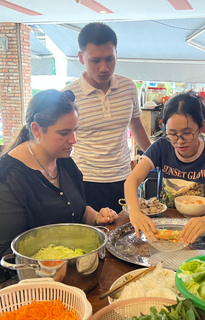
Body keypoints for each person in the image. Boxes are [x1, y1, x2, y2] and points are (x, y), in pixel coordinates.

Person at [0, 89, 118, 307]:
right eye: (64, 132)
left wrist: (95, 217)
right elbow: (1, 255)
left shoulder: (62, 160)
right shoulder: (5, 180)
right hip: (11, 278)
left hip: (58, 269)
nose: (73, 139)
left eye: (75, 130)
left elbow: (77, 210)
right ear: (36, 129)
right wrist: (55, 264)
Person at [124, 92, 205, 244]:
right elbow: (132, 180)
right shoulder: (162, 146)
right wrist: (134, 211)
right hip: (163, 227)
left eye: (187, 133)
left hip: (197, 230)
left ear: (202, 127)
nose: (179, 141)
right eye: (172, 134)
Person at [62, 22, 151, 213]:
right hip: (85, 180)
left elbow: (136, 126)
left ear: (117, 54)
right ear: (81, 57)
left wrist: (156, 157)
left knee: (126, 235)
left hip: (124, 179)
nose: (104, 68)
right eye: (95, 61)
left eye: (109, 59)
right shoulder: (68, 95)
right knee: (92, 238)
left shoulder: (128, 87)